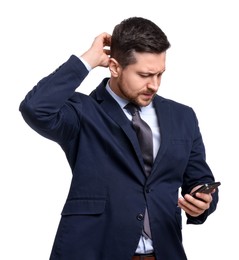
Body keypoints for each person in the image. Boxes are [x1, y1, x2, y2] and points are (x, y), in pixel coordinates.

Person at [19, 17, 219, 260]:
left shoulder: (183, 116)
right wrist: (87, 61)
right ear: (114, 67)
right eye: (145, 75)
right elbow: (35, 108)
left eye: (160, 74)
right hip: (95, 252)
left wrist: (204, 199)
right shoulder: (83, 112)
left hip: (165, 253)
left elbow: (199, 178)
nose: (154, 85)